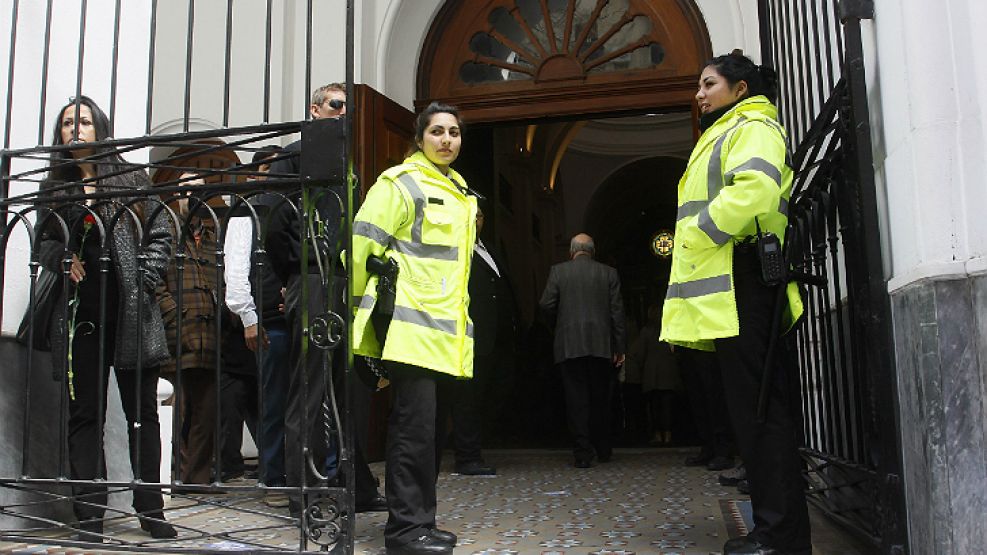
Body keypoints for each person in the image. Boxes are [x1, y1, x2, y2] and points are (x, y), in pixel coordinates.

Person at [660, 50, 810, 555]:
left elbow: (756, 191)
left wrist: (696, 233)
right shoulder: (728, 131)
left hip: (746, 279)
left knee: (763, 415)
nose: (699, 94)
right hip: (733, 285)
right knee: (753, 414)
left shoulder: (754, 127)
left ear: (740, 88)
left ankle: (780, 539)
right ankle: (774, 532)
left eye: (708, 84)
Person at [36, 96, 176, 541]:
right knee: (85, 417)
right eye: (66, 124)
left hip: (132, 312)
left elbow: (161, 232)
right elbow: (41, 240)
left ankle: (151, 509)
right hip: (80, 317)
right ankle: (90, 516)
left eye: (83, 121)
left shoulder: (130, 176)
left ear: (100, 127)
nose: (75, 129)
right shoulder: (54, 185)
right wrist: (60, 258)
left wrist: (145, 277)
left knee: (143, 416)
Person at [352, 102, 476, 555]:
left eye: (455, 132)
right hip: (409, 331)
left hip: (442, 335)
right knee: (412, 434)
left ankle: (423, 521)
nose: (447, 140)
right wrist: (356, 317)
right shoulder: (400, 182)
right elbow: (362, 244)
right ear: (419, 137)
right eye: (437, 131)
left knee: (429, 437)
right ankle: (404, 533)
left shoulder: (461, 192)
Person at [264, 83, 386, 517]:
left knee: (347, 387)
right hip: (313, 278)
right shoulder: (295, 153)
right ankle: (304, 491)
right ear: (314, 109)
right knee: (310, 388)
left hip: (345, 281)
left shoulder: (346, 162)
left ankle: (356, 484)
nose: (343, 114)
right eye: (336, 106)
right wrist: (296, 272)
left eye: (347, 110)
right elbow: (274, 220)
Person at [224, 147, 290, 506]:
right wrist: (249, 317)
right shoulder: (245, 213)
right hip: (267, 321)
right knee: (273, 401)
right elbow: (235, 273)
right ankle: (273, 477)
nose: (272, 175)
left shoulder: (292, 208)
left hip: (295, 316)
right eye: (267, 169)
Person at [434, 205, 513, 477]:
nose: (475, 221)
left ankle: (472, 446)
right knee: (466, 398)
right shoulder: (452, 249)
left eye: (479, 216)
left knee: (489, 395)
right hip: (467, 335)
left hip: (496, 338)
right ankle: (466, 457)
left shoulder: (489, 248)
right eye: (470, 215)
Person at [155, 172, 221, 488]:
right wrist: (172, 314)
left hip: (208, 337)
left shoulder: (211, 237)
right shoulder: (165, 231)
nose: (192, 196)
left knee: (206, 413)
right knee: (175, 409)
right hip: (175, 335)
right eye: (186, 188)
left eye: (199, 190)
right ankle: (172, 475)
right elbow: (153, 280)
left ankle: (197, 478)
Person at [538, 233, 626, 468]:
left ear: (571, 251)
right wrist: (619, 347)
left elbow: (545, 304)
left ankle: (582, 453)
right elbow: (617, 313)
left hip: (569, 345)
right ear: (592, 251)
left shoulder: (559, 271)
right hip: (601, 346)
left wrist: (560, 324)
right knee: (600, 399)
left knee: (576, 400)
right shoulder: (609, 273)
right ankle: (604, 448)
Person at [624, 304, 680, 446]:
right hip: (668, 372)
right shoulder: (671, 330)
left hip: (651, 374)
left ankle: (657, 435)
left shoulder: (646, 332)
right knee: (667, 405)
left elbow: (639, 353)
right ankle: (668, 435)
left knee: (655, 406)